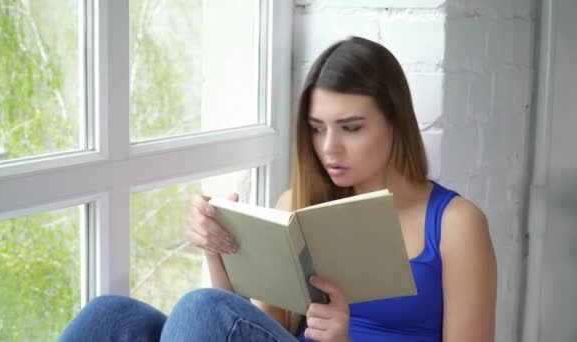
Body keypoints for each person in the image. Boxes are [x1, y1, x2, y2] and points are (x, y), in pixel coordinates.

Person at [58, 36, 497, 342]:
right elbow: (246, 328)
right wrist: (218, 248)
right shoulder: (299, 207)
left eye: (352, 128)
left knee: (200, 307)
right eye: (316, 128)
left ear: (396, 122)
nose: (330, 147)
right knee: (111, 315)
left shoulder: (456, 225)